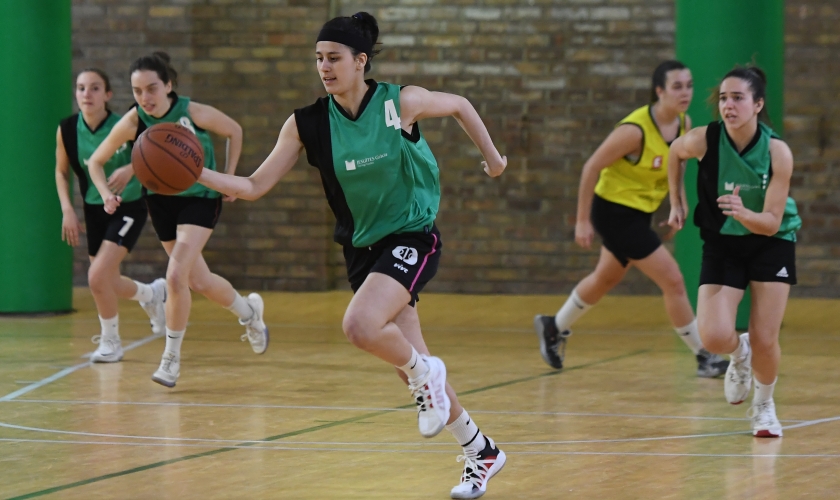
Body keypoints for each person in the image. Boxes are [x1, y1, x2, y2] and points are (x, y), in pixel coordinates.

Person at [195, 13, 507, 499]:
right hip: (361, 249)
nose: (324, 66)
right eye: (319, 58)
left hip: (412, 235)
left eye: (334, 58)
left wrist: (494, 158)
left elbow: (461, 105)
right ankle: (480, 449)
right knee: (409, 359)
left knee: (361, 327)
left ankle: (427, 377)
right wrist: (195, 172)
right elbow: (253, 185)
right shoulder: (307, 124)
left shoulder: (400, 102)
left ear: (360, 61)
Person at [534, 61, 729, 377]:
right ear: (659, 91)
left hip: (640, 213)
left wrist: (676, 203)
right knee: (673, 280)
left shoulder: (684, 123)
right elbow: (591, 167)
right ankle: (704, 355)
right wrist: (582, 221)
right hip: (613, 212)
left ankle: (553, 326)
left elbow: (678, 162)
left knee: (605, 278)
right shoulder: (634, 131)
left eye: (689, 85)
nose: (685, 92)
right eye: (677, 86)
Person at [86, 53, 269, 388]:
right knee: (199, 280)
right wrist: (106, 194)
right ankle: (249, 313)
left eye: (152, 88)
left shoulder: (191, 112)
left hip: (200, 199)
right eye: (137, 91)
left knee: (175, 275)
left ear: (168, 85)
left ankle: (170, 359)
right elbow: (95, 162)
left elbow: (234, 130)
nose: (145, 97)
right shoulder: (133, 120)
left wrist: (229, 178)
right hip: (161, 203)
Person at [667, 66, 801, 437]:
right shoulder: (704, 139)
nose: (728, 105)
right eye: (724, 98)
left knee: (765, 338)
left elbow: (771, 222)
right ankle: (739, 354)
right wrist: (676, 201)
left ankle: (764, 406)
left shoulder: (777, 152)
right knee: (712, 336)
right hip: (723, 242)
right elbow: (675, 152)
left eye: (738, 98)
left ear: (757, 105)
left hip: (771, 241)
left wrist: (744, 213)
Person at [55, 68, 166, 363]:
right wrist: (67, 208)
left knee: (96, 277)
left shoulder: (125, 125)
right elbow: (61, 171)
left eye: (94, 88)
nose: (86, 94)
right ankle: (152, 294)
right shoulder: (67, 129)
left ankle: (111, 341)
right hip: (95, 208)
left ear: (107, 94)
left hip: (128, 205)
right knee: (105, 280)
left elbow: (153, 155)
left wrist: (130, 168)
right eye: (81, 88)